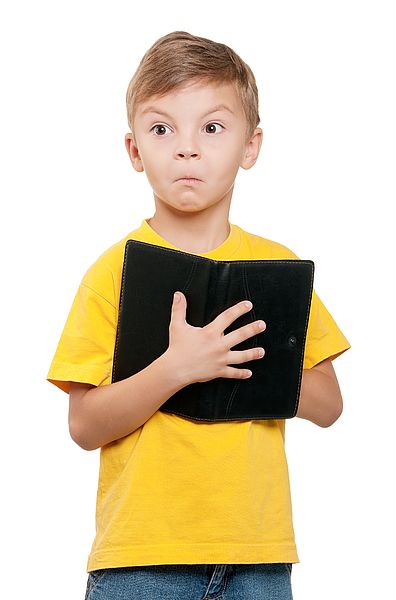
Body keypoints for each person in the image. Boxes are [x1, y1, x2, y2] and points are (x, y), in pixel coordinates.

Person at [46, 30, 350, 600]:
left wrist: (243, 357)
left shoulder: (277, 266)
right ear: (135, 150)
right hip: (142, 560)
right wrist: (177, 368)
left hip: (257, 559)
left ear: (251, 146)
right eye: (162, 129)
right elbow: (84, 426)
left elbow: (330, 405)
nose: (187, 149)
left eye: (212, 128)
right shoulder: (112, 271)